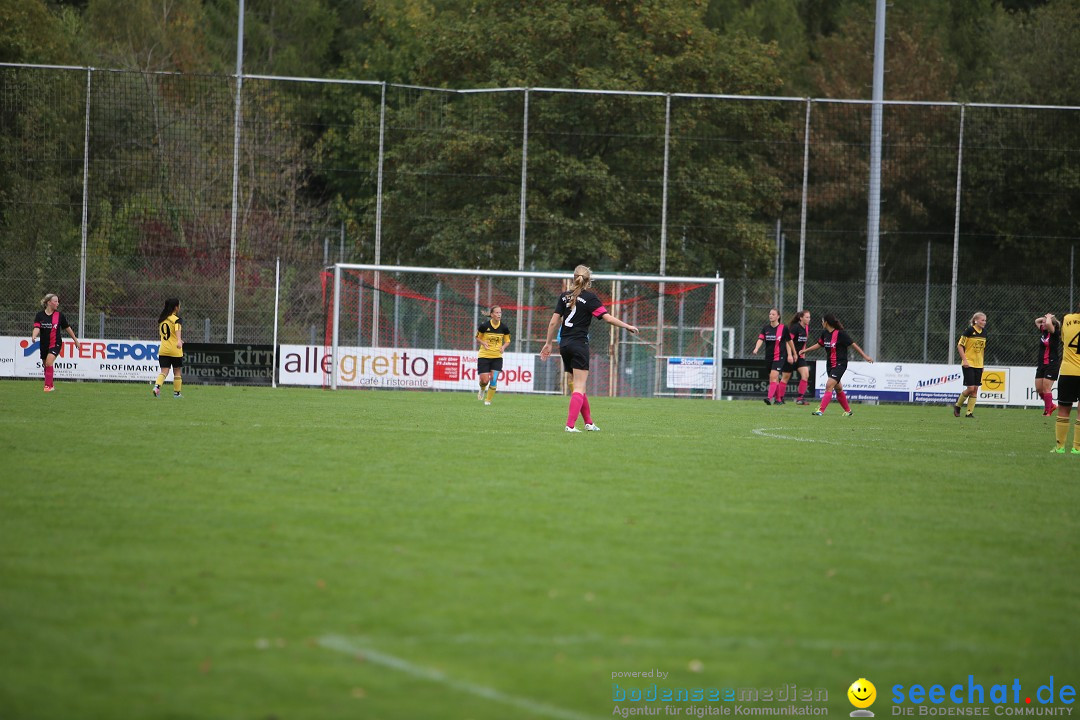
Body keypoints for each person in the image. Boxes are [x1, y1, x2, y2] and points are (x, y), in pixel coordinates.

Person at [540, 265, 638, 432]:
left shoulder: (564, 296)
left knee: (578, 385)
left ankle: (589, 423)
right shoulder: (591, 298)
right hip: (579, 344)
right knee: (579, 386)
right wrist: (627, 326)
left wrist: (548, 343)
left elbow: (553, 322)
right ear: (588, 280)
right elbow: (606, 318)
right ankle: (570, 426)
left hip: (564, 344)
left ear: (574, 277)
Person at [800, 313, 873, 416]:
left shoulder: (841, 334)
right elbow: (819, 344)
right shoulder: (825, 333)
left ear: (826, 322)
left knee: (829, 385)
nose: (821, 323)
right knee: (838, 388)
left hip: (840, 364)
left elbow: (853, 344)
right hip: (830, 364)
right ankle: (848, 411)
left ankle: (820, 410)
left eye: (822, 321)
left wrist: (865, 356)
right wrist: (805, 350)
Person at [30, 293, 79, 392]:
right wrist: (34, 335)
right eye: (55, 301)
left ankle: (47, 387)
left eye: (58, 301)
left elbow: (67, 328)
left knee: (49, 362)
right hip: (44, 344)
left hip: (55, 343)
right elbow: (36, 327)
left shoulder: (59, 315)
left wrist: (75, 340)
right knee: (46, 364)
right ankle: (51, 385)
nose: (58, 303)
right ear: (49, 302)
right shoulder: (40, 315)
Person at [751, 308, 796, 405]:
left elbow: (789, 341)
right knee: (774, 379)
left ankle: (769, 398)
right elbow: (760, 339)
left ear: (778, 316)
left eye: (773, 314)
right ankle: (779, 400)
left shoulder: (783, 328)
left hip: (780, 356)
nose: (771, 316)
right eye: (770, 314)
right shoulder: (766, 328)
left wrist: (793, 353)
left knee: (773, 376)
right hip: (769, 357)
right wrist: (756, 348)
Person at [1051, 310, 1080, 454]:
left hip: (1068, 372)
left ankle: (1060, 447)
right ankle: (1077, 448)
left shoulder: (1068, 319)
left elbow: (1064, 339)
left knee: (1063, 410)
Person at [953, 311, 987, 418]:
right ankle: (958, 405)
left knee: (975, 389)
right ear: (976, 321)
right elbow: (960, 345)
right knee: (971, 388)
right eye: (982, 320)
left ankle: (969, 413)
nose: (984, 322)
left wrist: (982, 364)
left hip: (978, 364)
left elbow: (982, 350)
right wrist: (965, 360)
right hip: (968, 363)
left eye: (985, 320)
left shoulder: (984, 332)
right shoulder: (969, 331)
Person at [476, 304, 511, 406]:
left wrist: (503, 347)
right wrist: (483, 343)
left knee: (494, 379)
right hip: (484, 356)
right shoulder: (484, 326)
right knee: (484, 380)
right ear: (491, 314)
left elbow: (508, 341)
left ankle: (488, 401)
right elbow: (477, 337)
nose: (499, 314)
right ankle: (482, 389)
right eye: (496, 312)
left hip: (497, 357)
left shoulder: (504, 327)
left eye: (500, 312)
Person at [780, 309, 813, 405]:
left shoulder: (806, 328)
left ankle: (800, 399)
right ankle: (779, 399)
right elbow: (787, 341)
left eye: (809, 317)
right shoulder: (795, 328)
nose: (809, 319)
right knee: (785, 377)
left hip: (799, 356)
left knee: (805, 375)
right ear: (801, 318)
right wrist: (790, 355)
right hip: (789, 355)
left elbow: (804, 342)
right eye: (807, 317)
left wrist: (804, 351)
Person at [154, 298, 184, 398]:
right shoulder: (176, 319)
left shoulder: (162, 319)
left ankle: (157, 387)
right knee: (177, 371)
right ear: (176, 307)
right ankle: (177, 394)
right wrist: (179, 340)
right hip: (175, 349)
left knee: (164, 371)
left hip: (163, 349)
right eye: (179, 305)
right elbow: (177, 330)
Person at [1035, 312, 1061, 416]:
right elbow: (1037, 321)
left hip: (1052, 364)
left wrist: (1049, 318)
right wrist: (1046, 317)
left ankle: (1047, 411)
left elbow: (1050, 325)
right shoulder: (1044, 331)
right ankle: (1051, 405)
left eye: (1045, 322)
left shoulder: (1054, 332)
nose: (1043, 324)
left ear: (1052, 324)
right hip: (1042, 364)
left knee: (1046, 388)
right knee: (1038, 389)